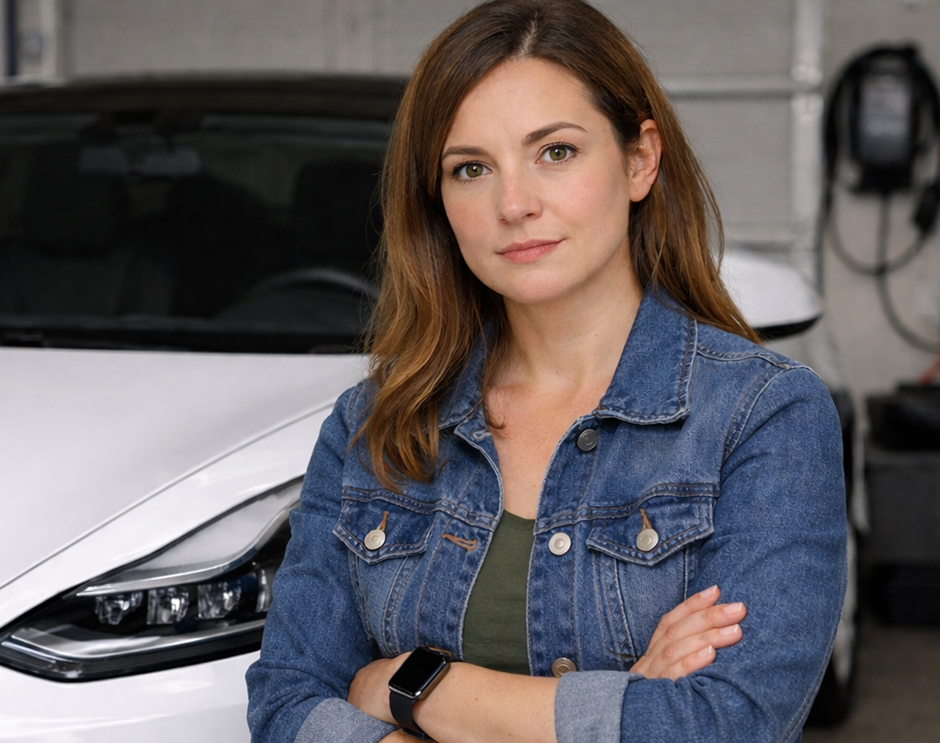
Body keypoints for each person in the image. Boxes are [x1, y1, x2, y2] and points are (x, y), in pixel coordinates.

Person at [245, 1, 847, 741]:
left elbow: (727, 725)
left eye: (554, 152)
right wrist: (622, 701)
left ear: (638, 159)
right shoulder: (375, 423)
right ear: (437, 202)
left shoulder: (762, 415)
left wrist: (409, 686)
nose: (513, 204)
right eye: (470, 168)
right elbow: (285, 702)